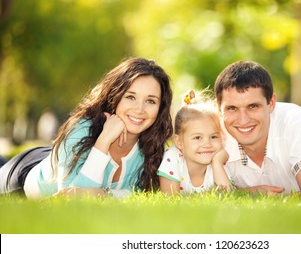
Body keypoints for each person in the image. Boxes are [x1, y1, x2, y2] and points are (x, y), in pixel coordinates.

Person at [0, 57, 173, 199]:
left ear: (160, 108)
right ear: (115, 97)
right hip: (24, 176)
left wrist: (104, 195)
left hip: (59, 154)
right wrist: (104, 140)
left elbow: (144, 196)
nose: (140, 109)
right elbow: (71, 199)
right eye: (130, 97)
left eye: (151, 101)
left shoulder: (152, 146)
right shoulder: (83, 128)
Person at [214, 60, 301, 199]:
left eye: (253, 106)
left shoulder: (295, 121)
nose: (243, 120)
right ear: (218, 108)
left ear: (271, 103)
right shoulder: (211, 135)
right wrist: (247, 193)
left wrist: (268, 198)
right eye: (232, 108)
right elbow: (196, 194)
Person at [158, 90, 232, 195]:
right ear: (179, 142)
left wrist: (217, 163)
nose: (207, 144)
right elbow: (170, 200)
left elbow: (227, 196)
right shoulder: (173, 158)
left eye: (214, 137)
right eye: (197, 137)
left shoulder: (218, 159)